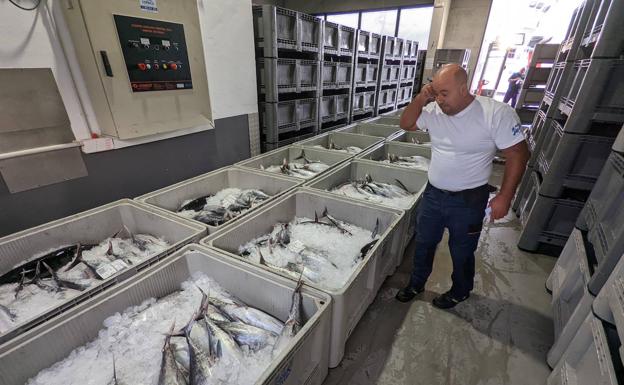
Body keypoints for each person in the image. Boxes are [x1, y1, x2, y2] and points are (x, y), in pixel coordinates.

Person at [396, 64, 529, 309]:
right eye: (435, 93)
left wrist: (504, 196)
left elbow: (518, 154)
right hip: (434, 195)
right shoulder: (434, 110)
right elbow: (406, 123)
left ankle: (460, 290)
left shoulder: (495, 113)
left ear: (463, 88)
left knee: (461, 250)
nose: (440, 99)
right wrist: (421, 98)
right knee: (424, 243)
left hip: (469, 200)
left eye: (444, 93)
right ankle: (416, 283)